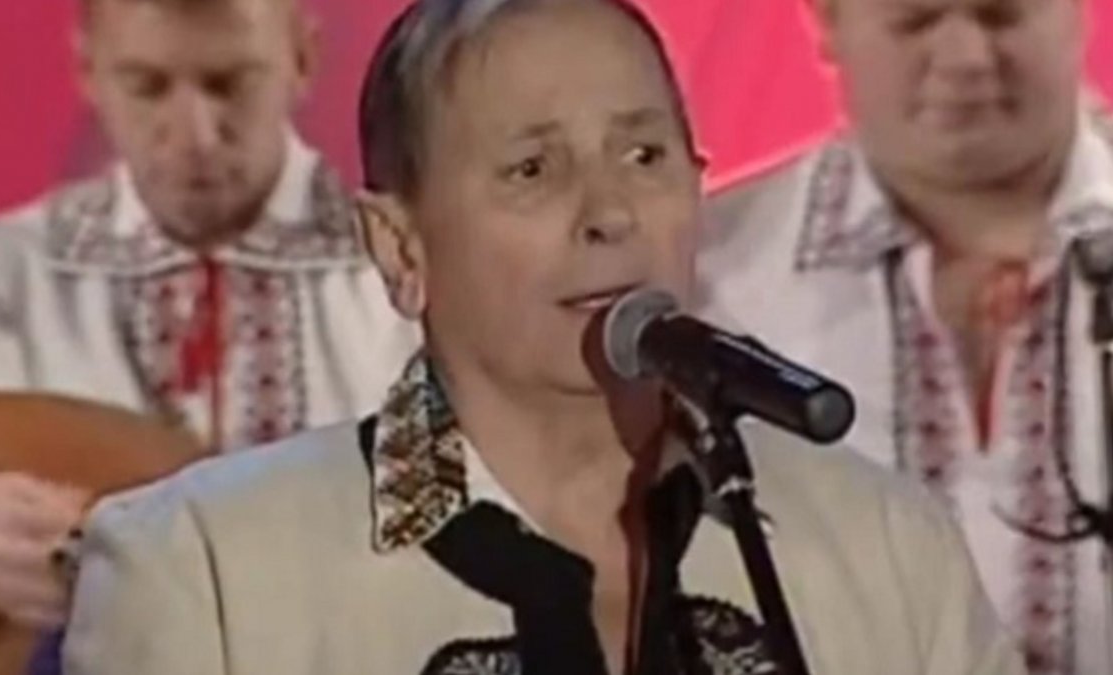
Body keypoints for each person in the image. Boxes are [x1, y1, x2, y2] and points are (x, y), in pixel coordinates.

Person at [62, 1, 1024, 672]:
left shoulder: (890, 547)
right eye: (533, 169)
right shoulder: (204, 571)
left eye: (643, 155)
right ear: (400, 245)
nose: (610, 214)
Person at [0, 0, 417, 628]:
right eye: (147, 86)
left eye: (229, 83)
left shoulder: (426, 284)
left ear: (301, 59)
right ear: (88, 71)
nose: (195, 135)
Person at [696, 0, 1112, 673]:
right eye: (915, 20)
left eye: (1001, 15)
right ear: (827, 21)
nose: (965, 58)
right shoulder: (711, 280)